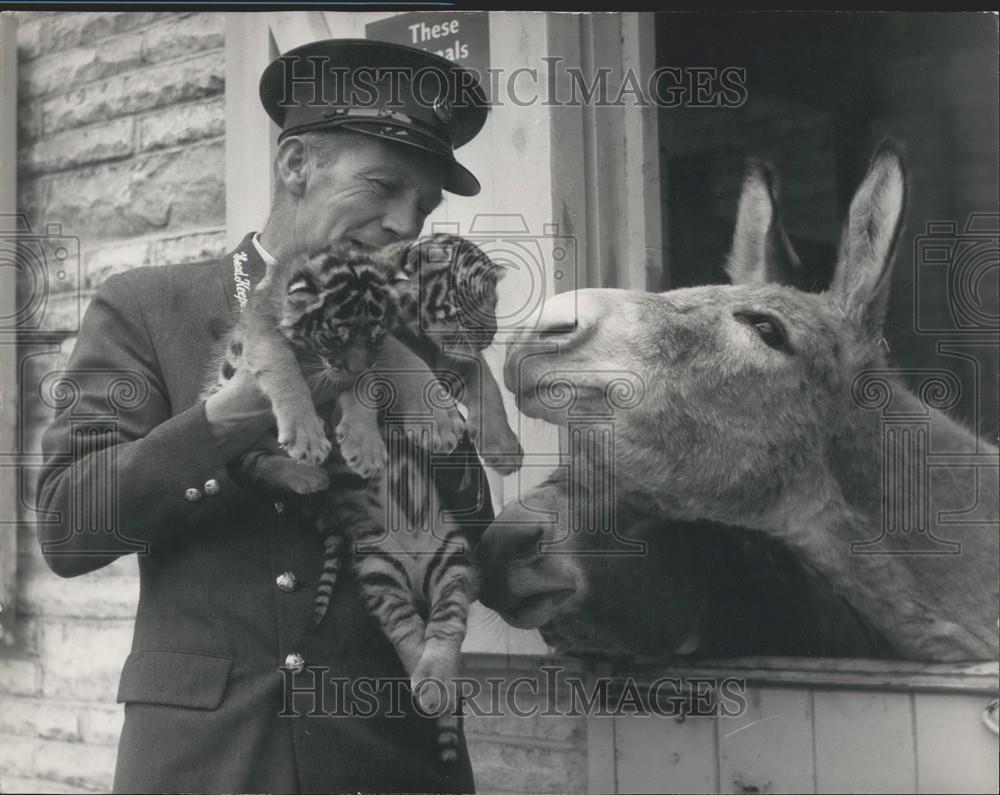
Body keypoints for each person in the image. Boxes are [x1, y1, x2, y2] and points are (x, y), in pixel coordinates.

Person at [35, 39, 494, 793]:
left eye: (426, 204)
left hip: (387, 755)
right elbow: (68, 527)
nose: (407, 222)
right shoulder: (149, 305)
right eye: (382, 185)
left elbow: (465, 527)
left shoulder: (416, 327)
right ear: (294, 165)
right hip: (201, 757)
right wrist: (231, 420)